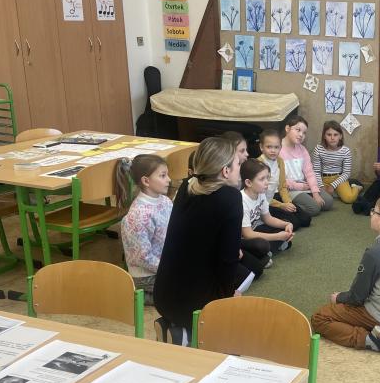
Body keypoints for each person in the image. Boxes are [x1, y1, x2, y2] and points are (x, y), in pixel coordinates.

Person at [154, 137, 249, 345]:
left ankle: (176, 328)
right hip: (194, 304)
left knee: (242, 271)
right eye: (238, 164)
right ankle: (187, 335)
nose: (240, 169)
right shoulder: (230, 198)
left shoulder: (187, 185)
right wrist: (226, 299)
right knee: (237, 329)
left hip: (163, 294)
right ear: (225, 171)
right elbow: (228, 259)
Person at [311, 194, 380, 355]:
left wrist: (339, 298)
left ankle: (371, 340)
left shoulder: (375, 253)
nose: (371, 214)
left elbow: (357, 297)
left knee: (320, 317)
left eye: (374, 211)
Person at [116, 154, 172, 306]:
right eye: (163, 176)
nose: (169, 179)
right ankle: (140, 295)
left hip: (164, 264)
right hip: (146, 275)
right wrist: (171, 267)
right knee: (188, 291)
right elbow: (143, 258)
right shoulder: (139, 215)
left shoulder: (165, 201)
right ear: (146, 181)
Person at [239, 158, 293, 277]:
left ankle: (265, 253)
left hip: (255, 229)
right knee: (262, 245)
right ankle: (265, 252)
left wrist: (286, 225)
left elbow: (268, 218)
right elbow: (248, 234)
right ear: (248, 183)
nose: (267, 182)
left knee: (285, 225)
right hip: (243, 237)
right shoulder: (242, 201)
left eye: (267, 178)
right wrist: (278, 236)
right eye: (262, 179)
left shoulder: (261, 193)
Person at [280, 115, 333, 217]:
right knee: (314, 209)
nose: (301, 135)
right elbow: (278, 179)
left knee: (328, 202)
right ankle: (286, 207)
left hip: (304, 186)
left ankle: (308, 199)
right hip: (288, 189)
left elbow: (309, 173)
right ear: (287, 128)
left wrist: (315, 193)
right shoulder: (278, 149)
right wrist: (298, 186)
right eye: (298, 130)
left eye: (304, 133)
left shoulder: (302, 149)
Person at [257, 128, 311, 230]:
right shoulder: (258, 164)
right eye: (269, 147)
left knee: (306, 219)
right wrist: (281, 205)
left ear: (280, 147)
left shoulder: (280, 161)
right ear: (261, 147)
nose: (273, 150)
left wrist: (288, 202)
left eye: (276, 147)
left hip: (278, 196)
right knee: (295, 224)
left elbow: (282, 186)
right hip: (265, 201)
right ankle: (268, 221)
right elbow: (260, 196)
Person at [313, 120, 360, 204]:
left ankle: (356, 187)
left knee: (349, 198)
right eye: (329, 135)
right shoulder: (318, 149)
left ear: (340, 136)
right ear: (324, 136)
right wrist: (321, 186)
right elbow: (316, 171)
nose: (332, 138)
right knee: (316, 197)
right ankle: (335, 192)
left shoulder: (345, 151)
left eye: (335, 135)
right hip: (323, 179)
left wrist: (333, 185)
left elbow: (346, 173)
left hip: (339, 178)